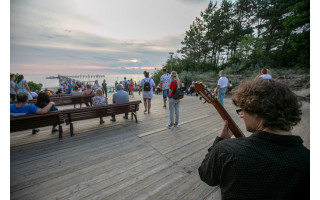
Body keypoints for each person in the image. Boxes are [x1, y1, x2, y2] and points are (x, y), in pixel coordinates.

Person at [198, 79, 309, 200]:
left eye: (242, 110)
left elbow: (206, 175)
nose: (241, 115)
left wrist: (220, 141)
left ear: (256, 111)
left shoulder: (225, 151)